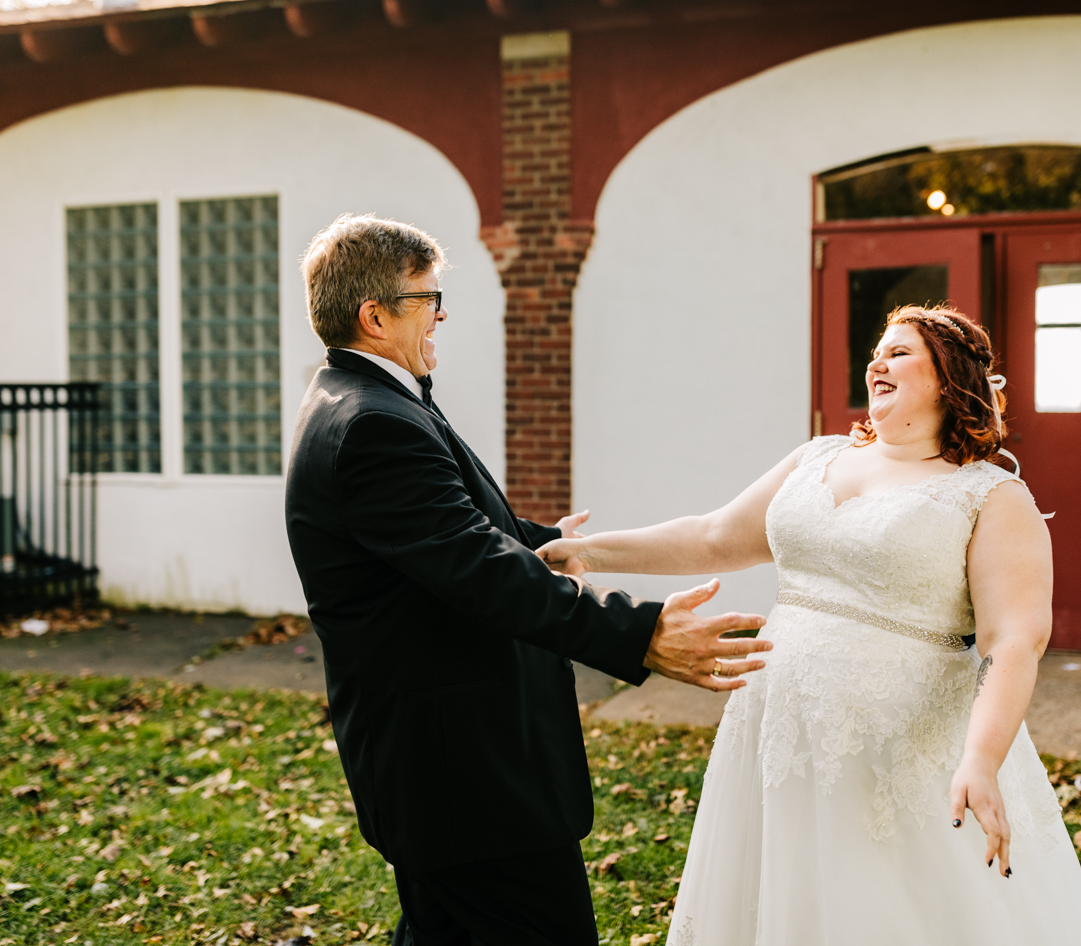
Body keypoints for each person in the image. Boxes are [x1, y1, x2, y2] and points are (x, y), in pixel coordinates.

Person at [539, 305, 1081, 944]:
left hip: (903, 747)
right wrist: (593, 552)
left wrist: (982, 756)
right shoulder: (819, 457)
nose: (876, 363)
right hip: (776, 732)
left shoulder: (989, 495)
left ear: (948, 379)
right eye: (876, 352)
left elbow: (1014, 640)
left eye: (898, 353)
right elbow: (715, 535)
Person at [283, 214, 773, 946]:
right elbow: (475, 569)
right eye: (427, 299)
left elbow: (441, 536)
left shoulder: (361, 399)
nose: (441, 313)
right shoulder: (372, 424)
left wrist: (540, 544)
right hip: (465, 777)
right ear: (375, 315)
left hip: (440, 764)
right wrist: (637, 633)